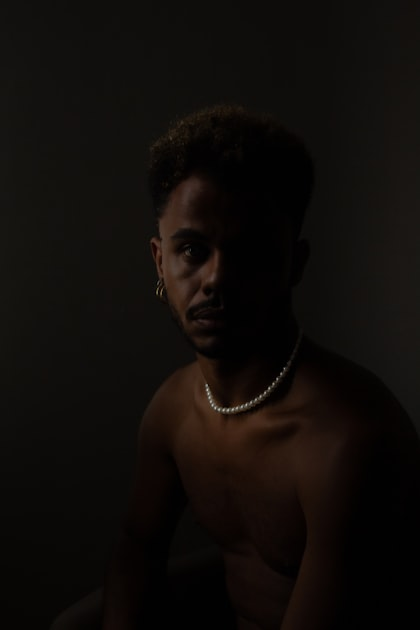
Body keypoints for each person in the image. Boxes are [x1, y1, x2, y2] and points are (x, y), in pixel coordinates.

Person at [51, 104, 420, 630]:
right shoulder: (175, 410)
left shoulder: (347, 442)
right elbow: (138, 548)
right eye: (192, 250)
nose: (216, 279)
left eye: (250, 253)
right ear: (160, 261)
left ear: (294, 264)